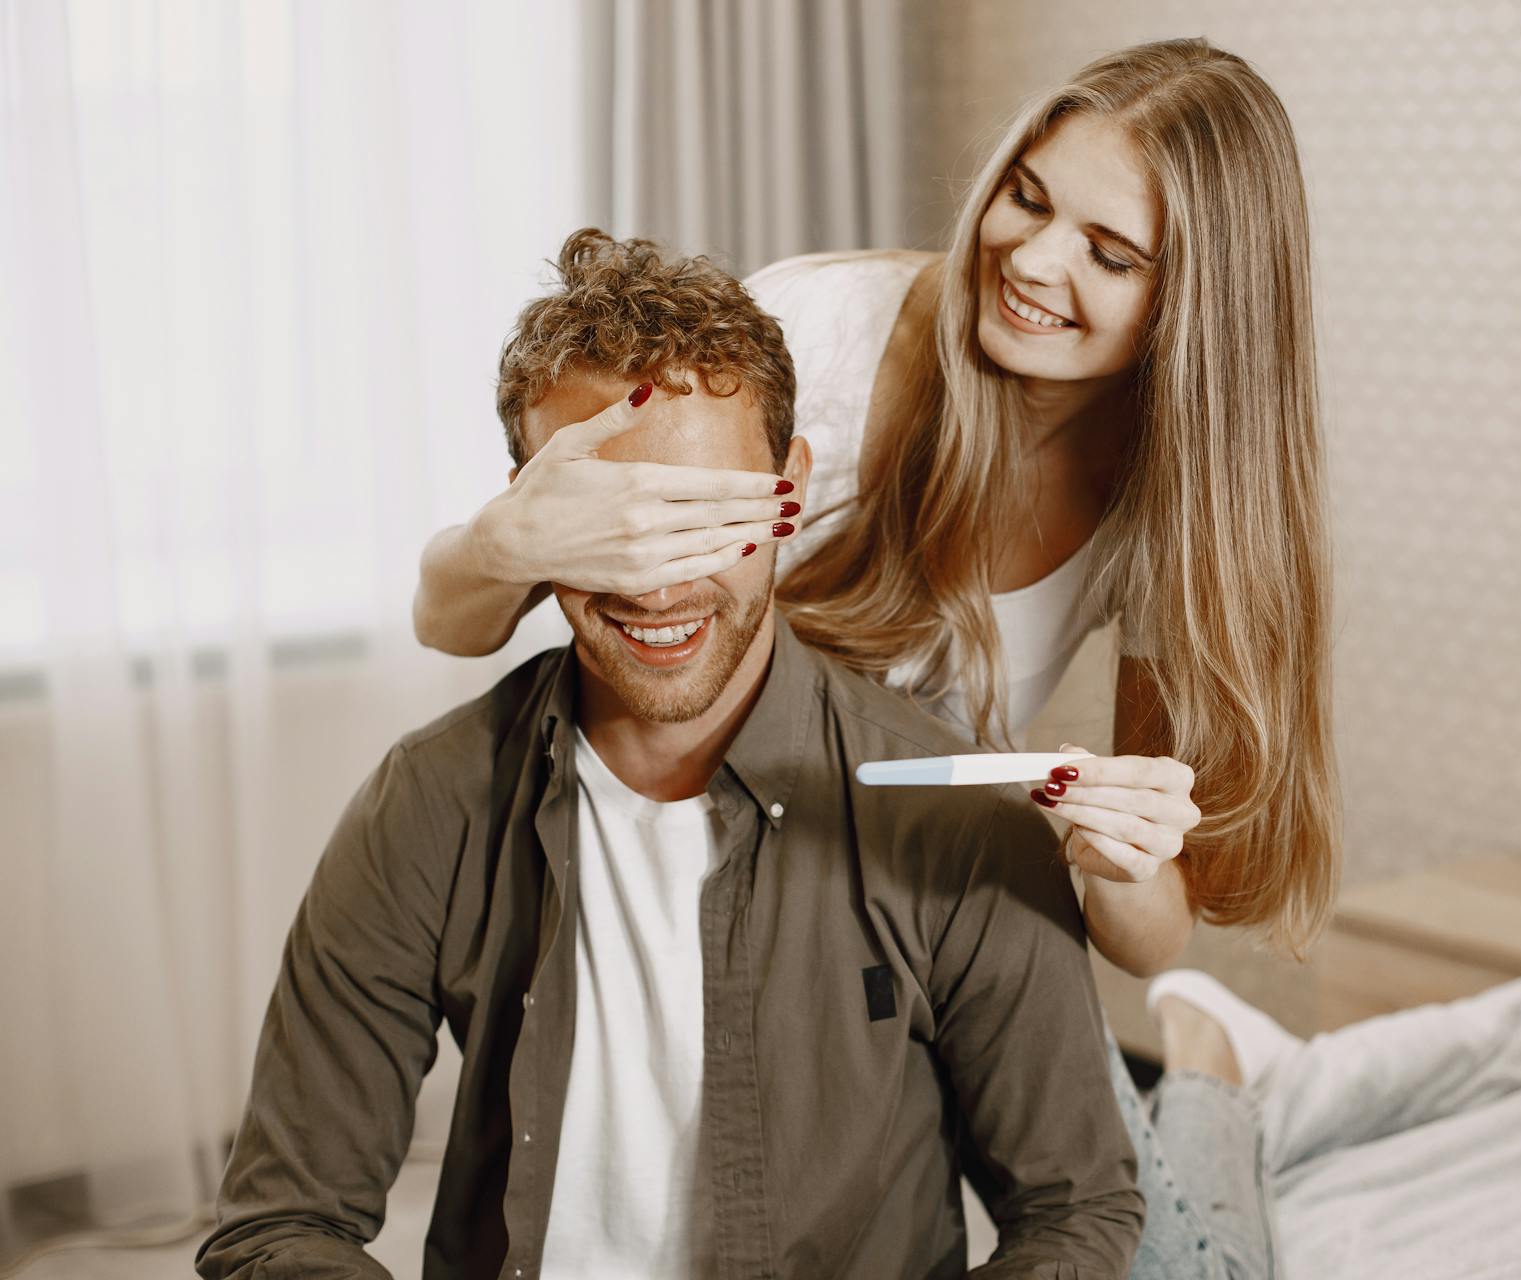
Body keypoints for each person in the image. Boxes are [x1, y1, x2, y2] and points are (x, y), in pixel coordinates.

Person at [411, 37, 1337, 1278]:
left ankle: (1206, 1072)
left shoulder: (1168, 503)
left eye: (1111, 255)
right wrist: (508, 536)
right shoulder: (820, 334)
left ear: (1198, 301)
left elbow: (1149, 930)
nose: (1035, 261)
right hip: (708, 874)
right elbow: (451, 619)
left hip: (927, 901)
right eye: (1028, 196)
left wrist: (1115, 852)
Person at [197, 235, 1143, 1279]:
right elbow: (279, 1226)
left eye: (702, 515)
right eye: (611, 526)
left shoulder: (956, 822)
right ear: (530, 514)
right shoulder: (430, 805)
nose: (655, 585)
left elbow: (1077, 1212)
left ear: (788, 489)